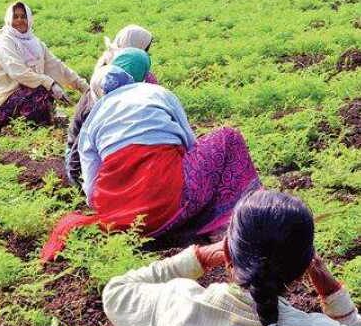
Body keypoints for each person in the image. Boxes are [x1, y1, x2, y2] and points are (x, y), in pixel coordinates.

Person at [42, 64, 261, 261]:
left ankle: (149, 225)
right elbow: (189, 142)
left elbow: (90, 187)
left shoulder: (94, 117)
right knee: (229, 138)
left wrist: (117, 208)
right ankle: (231, 222)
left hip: (118, 219)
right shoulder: (155, 92)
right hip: (170, 201)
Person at [103, 190, 361, 326]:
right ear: (303, 268)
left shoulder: (179, 306)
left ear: (227, 251)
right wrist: (330, 289)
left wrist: (199, 257)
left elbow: (117, 292)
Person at [65, 26, 157, 187]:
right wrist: (83, 185)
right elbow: (79, 152)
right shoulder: (100, 99)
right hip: (87, 167)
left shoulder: (115, 74)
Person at [0, 1, 89, 129]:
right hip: (0, 103)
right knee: (42, 88)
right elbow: (18, 73)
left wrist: (84, 88)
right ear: (9, 19)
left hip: (23, 96)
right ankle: (21, 125)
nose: (20, 20)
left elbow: (56, 66)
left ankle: (43, 120)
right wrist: (50, 83)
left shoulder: (34, 42)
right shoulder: (3, 43)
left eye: (23, 16)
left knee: (43, 87)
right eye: (15, 17)